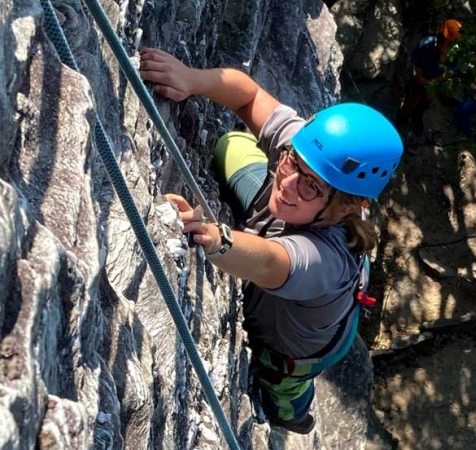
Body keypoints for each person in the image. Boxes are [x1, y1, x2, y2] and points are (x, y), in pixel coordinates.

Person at [138, 48, 403, 434]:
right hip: (279, 239)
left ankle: (295, 414)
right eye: (292, 162)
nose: (288, 184)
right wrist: (190, 78)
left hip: (292, 351)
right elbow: (250, 96)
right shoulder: (312, 153)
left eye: (311, 186)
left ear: (347, 208)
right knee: (231, 144)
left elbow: (267, 261)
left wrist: (214, 237)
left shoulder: (325, 262)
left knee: (283, 393)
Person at [395, 19, 463, 135]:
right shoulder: (427, 45)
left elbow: (450, 71)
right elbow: (418, 70)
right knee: (412, 97)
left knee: (428, 100)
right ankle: (402, 118)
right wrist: (425, 83)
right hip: (421, 77)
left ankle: (417, 116)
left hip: (436, 80)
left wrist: (434, 84)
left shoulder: (455, 53)